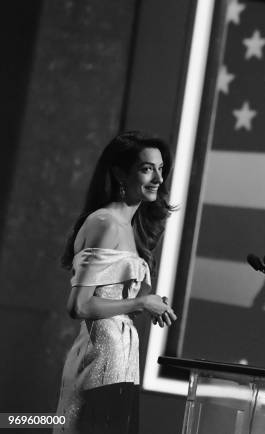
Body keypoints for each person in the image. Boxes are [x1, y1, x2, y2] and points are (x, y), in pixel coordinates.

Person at [54, 131, 178, 433]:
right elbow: (79, 305)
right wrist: (140, 301)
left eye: (161, 169)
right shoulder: (105, 223)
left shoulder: (131, 227)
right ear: (120, 173)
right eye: (147, 168)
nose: (158, 179)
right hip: (99, 359)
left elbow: (110, 295)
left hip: (122, 357)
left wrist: (148, 300)